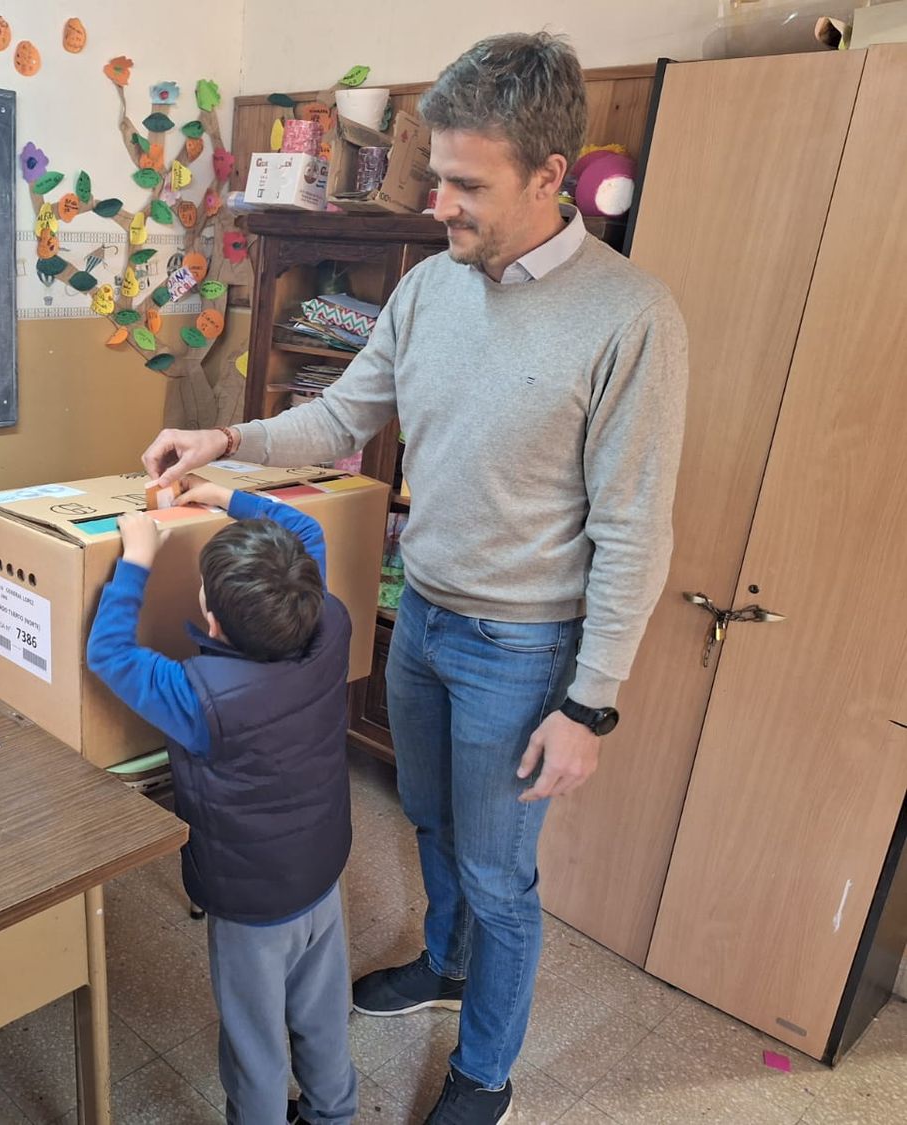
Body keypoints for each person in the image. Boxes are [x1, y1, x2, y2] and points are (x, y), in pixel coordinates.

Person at [140, 32, 688, 1125]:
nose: (437, 201)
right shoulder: (433, 287)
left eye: (465, 183)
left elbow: (635, 527)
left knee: (502, 879)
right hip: (421, 612)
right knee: (429, 823)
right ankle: (442, 964)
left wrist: (590, 704)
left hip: (524, 646)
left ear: (549, 177)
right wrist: (229, 440)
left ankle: (487, 1072)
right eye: (435, 173)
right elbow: (345, 417)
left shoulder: (632, 318)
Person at [87, 480, 357, 1125]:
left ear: (211, 619)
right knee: (322, 1014)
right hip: (322, 872)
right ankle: (334, 1114)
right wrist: (224, 494)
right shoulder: (332, 625)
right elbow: (308, 535)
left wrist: (137, 557)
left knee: (254, 1041)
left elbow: (108, 651)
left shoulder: (200, 697)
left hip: (251, 902)